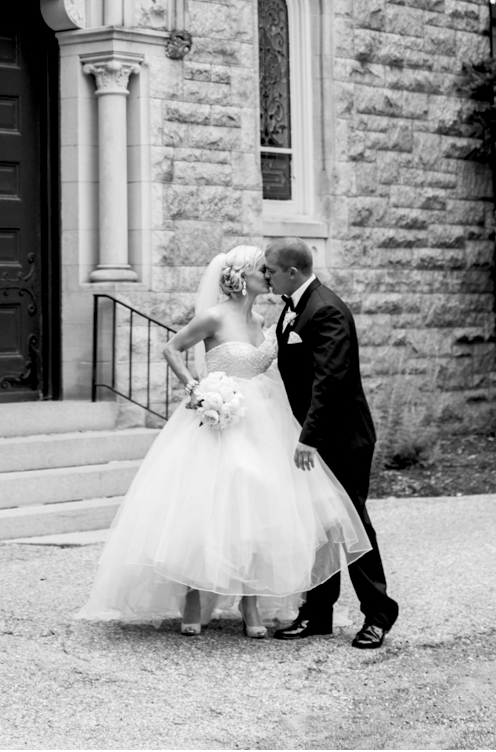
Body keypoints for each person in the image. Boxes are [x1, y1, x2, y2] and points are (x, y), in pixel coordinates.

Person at [76, 246, 370, 637]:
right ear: (240, 277)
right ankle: (194, 599)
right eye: (260, 270)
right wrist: (198, 388)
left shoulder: (266, 318)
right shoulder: (214, 316)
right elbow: (172, 348)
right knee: (207, 510)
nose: (267, 275)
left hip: (264, 421)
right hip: (218, 422)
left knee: (258, 512)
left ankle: (251, 603)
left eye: (270, 270)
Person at [263, 236, 400, 649]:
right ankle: (317, 613)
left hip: (342, 437)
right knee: (319, 526)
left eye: (270, 270)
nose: (266, 275)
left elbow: (331, 380)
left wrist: (309, 437)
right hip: (315, 437)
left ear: (292, 271)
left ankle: (378, 616)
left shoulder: (325, 310)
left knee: (352, 524)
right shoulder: (294, 307)